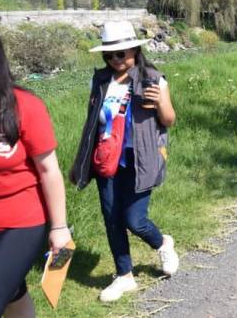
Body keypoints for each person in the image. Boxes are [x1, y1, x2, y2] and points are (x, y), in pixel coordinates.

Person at [69, 21, 178, 302]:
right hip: (107, 157)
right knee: (112, 218)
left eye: (121, 53)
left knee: (134, 219)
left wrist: (160, 104)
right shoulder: (101, 80)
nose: (115, 60)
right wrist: (82, 160)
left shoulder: (153, 78)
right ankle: (124, 275)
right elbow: (93, 121)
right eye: (109, 55)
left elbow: (169, 121)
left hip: (140, 158)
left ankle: (162, 242)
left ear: (134, 50)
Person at [0, 29, 71, 317]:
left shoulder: (24, 106)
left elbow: (49, 170)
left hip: (19, 222)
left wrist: (60, 228)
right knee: (12, 290)